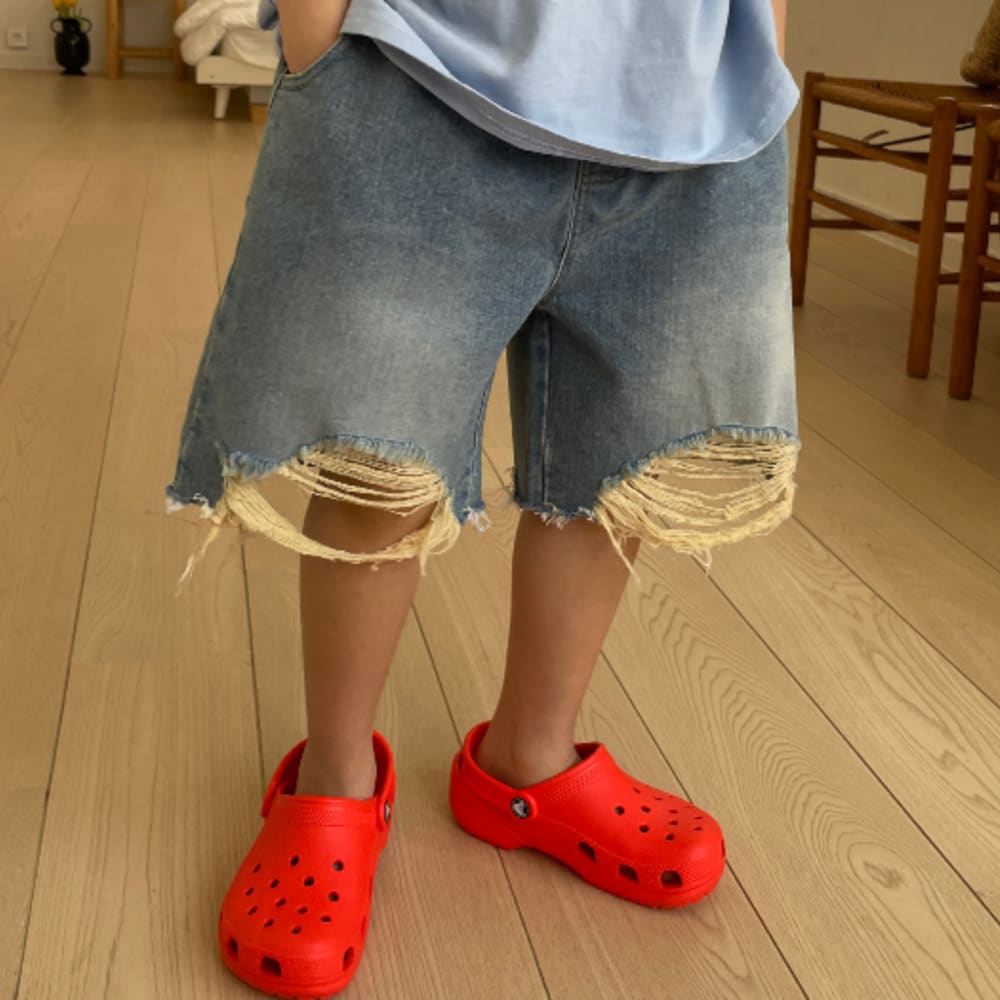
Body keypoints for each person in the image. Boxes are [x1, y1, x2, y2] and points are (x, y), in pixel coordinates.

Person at [165, 1, 798, 995]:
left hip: (694, 90)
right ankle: (335, 775)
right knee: (381, 460)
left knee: (615, 463)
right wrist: (317, 33)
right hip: (415, 66)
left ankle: (530, 757)